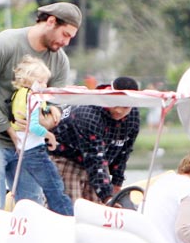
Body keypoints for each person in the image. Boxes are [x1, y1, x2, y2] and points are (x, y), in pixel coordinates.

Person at [0, 2, 82, 209]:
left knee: (32, 207)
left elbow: (57, 102)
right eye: (65, 34)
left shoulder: (60, 60)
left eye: (71, 38)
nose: (66, 42)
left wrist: (51, 116)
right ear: (51, 21)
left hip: (30, 143)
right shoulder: (5, 43)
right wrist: (7, 127)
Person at [50, 76, 141, 205]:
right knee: (70, 208)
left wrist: (116, 183)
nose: (120, 110)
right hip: (67, 156)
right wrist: (107, 197)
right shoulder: (89, 113)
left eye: (126, 107)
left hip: (101, 159)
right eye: (116, 104)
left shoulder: (133, 117)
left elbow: (124, 152)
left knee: (97, 210)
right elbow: (95, 158)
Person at [9, 55, 73, 215]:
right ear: (31, 80)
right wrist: (49, 136)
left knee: (39, 189)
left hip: (22, 148)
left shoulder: (18, 95)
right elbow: (34, 125)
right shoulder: (33, 97)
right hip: (34, 150)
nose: (45, 85)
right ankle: (67, 219)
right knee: (55, 187)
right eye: (42, 81)